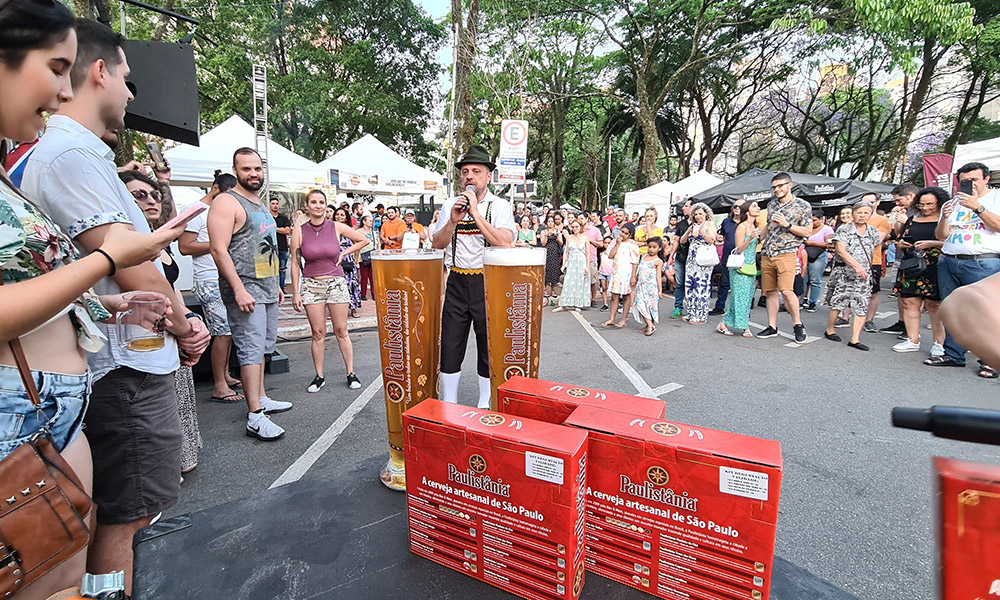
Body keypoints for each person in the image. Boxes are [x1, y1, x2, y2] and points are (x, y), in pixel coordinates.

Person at [0, 9, 192, 597]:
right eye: (55, 68)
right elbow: (108, 259)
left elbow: (38, 286)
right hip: (35, 406)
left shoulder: (44, 157)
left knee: (69, 559)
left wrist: (103, 305)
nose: (61, 91)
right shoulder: (66, 154)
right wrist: (116, 267)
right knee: (103, 532)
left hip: (55, 403)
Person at [208, 148, 292, 442]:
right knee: (250, 350)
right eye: (247, 169)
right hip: (245, 288)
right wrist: (239, 289)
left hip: (267, 288)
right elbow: (219, 250)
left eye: (257, 168)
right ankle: (255, 416)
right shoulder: (226, 202)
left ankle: (262, 397)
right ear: (235, 169)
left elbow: (262, 246)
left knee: (264, 347)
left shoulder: (259, 203)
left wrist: (277, 286)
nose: (254, 174)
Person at [121, 170, 202, 475]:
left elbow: (171, 290)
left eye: (154, 194)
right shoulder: (130, 243)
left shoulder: (158, 242)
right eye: (139, 195)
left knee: (177, 408)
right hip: (144, 343)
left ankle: (181, 463)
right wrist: (184, 329)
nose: (151, 200)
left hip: (171, 337)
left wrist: (190, 320)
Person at [431, 145, 515, 408]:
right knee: (450, 343)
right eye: (465, 171)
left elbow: (504, 242)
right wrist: (453, 220)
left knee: (487, 345)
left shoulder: (499, 206)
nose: (469, 176)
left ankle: (484, 403)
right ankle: (449, 402)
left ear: (488, 176)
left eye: (476, 171)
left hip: (487, 283)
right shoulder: (449, 204)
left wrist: (476, 212)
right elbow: (437, 243)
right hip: (456, 281)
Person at [926, 161, 1000, 379]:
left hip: (982, 260)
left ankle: (990, 360)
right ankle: (953, 355)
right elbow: (941, 235)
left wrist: (977, 206)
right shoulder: (953, 202)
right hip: (949, 259)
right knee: (952, 309)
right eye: (965, 181)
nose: (970, 184)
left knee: (986, 311)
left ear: (986, 178)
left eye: (974, 180)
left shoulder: (996, 198)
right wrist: (946, 217)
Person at [290, 190, 368, 393]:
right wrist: (296, 293)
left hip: (336, 283)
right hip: (311, 285)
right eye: (313, 202)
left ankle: (351, 372)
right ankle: (319, 376)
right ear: (306, 206)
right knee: (318, 333)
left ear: (326, 206)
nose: (317, 205)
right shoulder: (300, 230)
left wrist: (344, 252)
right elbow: (295, 262)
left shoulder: (336, 227)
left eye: (321, 202)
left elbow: (363, 240)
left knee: (342, 330)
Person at [178, 171, 245, 404]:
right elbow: (185, 247)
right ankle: (219, 385)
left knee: (228, 331)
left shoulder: (223, 210)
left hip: (224, 277)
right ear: (215, 189)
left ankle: (225, 375)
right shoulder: (195, 211)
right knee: (222, 332)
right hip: (208, 279)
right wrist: (218, 243)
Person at [822, 201, 885, 351]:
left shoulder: (873, 231)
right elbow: (841, 251)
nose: (862, 215)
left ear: (870, 214)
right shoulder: (844, 229)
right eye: (859, 212)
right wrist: (856, 266)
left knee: (862, 304)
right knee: (838, 302)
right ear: (854, 213)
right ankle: (830, 329)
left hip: (864, 275)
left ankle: (855, 339)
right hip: (845, 272)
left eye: (865, 213)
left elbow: (875, 249)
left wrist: (871, 268)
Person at [891, 187, 946, 355]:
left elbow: (953, 243)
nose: (925, 208)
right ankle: (912, 339)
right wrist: (900, 245)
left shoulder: (945, 220)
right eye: (921, 204)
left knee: (934, 305)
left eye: (930, 204)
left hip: (935, 266)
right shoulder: (912, 219)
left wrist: (932, 244)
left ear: (939, 203)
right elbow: (899, 240)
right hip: (911, 264)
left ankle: (939, 343)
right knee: (909, 303)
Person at [757, 172, 811, 342]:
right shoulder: (771, 205)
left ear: (790, 185)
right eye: (774, 187)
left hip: (787, 252)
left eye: (780, 186)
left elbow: (808, 231)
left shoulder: (802, 205)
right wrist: (758, 237)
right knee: (770, 291)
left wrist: (787, 224)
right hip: (767, 252)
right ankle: (772, 326)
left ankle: (798, 324)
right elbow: (768, 226)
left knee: (787, 291)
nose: (777, 189)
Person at [880, 183, 921, 335]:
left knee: (915, 296)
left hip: (919, 259)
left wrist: (907, 219)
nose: (897, 203)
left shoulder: (922, 211)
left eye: (899, 200)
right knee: (901, 292)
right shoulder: (904, 212)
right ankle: (902, 322)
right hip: (902, 257)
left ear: (910, 196)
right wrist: (898, 219)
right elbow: (899, 234)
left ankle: (912, 329)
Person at [717, 202, 761, 337]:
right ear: (747, 211)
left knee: (747, 297)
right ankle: (744, 326)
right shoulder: (741, 226)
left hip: (751, 266)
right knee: (739, 297)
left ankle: (724, 323)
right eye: (754, 206)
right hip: (740, 266)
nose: (758, 208)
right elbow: (739, 248)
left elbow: (760, 240)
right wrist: (751, 238)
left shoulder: (754, 226)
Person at [857, 193, 891, 333]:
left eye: (871, 202)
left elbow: (877, 239)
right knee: (850, 290)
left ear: (877, 203)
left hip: (873, 261)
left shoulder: (882, 220)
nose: (867, 205)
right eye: (864, 202)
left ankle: (869, 320)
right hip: (853, 260)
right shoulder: (854, 219)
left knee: (872, 293)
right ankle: (845, 317)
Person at [680, 203, 717, 324]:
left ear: (706, 214)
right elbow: (682, 241)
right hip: (692, 259)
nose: (698, 216)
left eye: (700, 214)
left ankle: (701, 315)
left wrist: (702, 232)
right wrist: (688, 231)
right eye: (695, 214)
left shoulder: (709, 224)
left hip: (703, 259)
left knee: (701, 287)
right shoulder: (693, 225)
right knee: (690, 285)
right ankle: (691, 312)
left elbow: (712, 240)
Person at [602, 222, 640, 328]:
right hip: (616, 273)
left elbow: (635, 261)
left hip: (627, 273)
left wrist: (633, 276)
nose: (622, 234)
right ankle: (612, 318)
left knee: (627, 296)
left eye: (625, 233)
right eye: (621, 231)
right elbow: (610, 255)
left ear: (630, 235)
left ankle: (623, 319)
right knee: (614, 296)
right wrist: (617, 244)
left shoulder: (633, 245)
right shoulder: (615, 241)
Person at [711, 202, 742, 316]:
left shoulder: (747, 222)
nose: (737, 209)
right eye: (735, 206)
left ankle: (739, 310)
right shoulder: (726, 222)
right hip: (727, 256)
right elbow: (723, 237)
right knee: (724, 283)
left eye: (740, 207)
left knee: (739, 284)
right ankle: (719, 307)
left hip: (742, 256)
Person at [554, 218, 590, 312]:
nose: (575, 228)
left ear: (580, 227)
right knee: (568, 282)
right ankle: (563, 305)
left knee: (580, 282)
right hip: (571, 261)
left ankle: (577, 304)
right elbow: (565, 252)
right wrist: (564, 264)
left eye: (577, 226)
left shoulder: (585, 238)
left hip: (581, 261)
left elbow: (588, 253)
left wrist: (587, 266)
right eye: (573, 227)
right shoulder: (569, 237)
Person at [802, 210, 835, 312]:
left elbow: (830, 245)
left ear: (821, 220)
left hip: (818, 255)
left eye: (815, 220)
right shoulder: (807, 228)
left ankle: (813, 302)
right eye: (810, 221)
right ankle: (802, 300)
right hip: (804, 254)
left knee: (815, 280)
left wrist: (812, 243)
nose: (812, 223)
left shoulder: (827, 229)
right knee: (803, 279)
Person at [632, 236, 664, 335]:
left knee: (650, 307)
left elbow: (658, 277)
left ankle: (649, 325)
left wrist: (660, 290)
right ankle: (649, 325)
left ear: (659, 248)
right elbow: (640, 270)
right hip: (641, 286)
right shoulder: (644, 256)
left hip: (651, 287)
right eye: (649, 247)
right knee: (640, 304)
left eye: (654, 247)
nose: (651, 249)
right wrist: (635, 278)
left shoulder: (658, 261)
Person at [668, 199, 693, 319]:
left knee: (692, 284)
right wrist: (671, 255)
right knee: (680, 283)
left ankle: (692, 309)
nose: (683, 208)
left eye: (686, 206)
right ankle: (678, 307)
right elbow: (676, 240)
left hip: (694, 260)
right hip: (681, 257)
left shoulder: (702, 223)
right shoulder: (682, 223)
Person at [541, 215, 565, 305]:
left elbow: (561, 242)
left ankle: (553, 289)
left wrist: (557, 236)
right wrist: (547, 236)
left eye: (552, 221)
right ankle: (545, 289)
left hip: (555, 252)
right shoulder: (544, 231)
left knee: (554, 270)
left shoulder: (557, 231)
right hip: (547, 252)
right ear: (546, 222)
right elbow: (543, 243)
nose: (550, 223)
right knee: (546, 270)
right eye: (549, 221)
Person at [269, 197, 291, 291]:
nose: (275, 205)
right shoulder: (267, 217)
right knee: (270, 270)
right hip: (269, 248)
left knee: (282, 270)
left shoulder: (284, 218)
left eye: (277, 203)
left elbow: (287, 230)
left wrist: (273, 228)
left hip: (282, 247)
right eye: (273, 203)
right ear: (270, 205)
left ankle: (281, 289)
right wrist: (280, 229)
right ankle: (272, 290)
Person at [358, 213, 378, 301]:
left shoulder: (374, 232)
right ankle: (363, 294)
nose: (371, 223)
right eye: (369, 221)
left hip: (372, 255)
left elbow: (377, 243)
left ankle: (374, 294)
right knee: (364, 276)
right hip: (363, 255)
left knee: (372, 276)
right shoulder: (358, 232)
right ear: (364, 222)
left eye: (371, 221)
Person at [597, 234, 614, 310]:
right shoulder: (601, 253)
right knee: (604, 288)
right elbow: (599, 263)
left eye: (609, 243)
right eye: (605, 243)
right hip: (602, 272)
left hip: (611, 272)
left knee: (612, 289)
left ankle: (615, 303)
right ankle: (605, 303)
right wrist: (598, 272)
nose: (607, 244)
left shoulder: (614, 253)